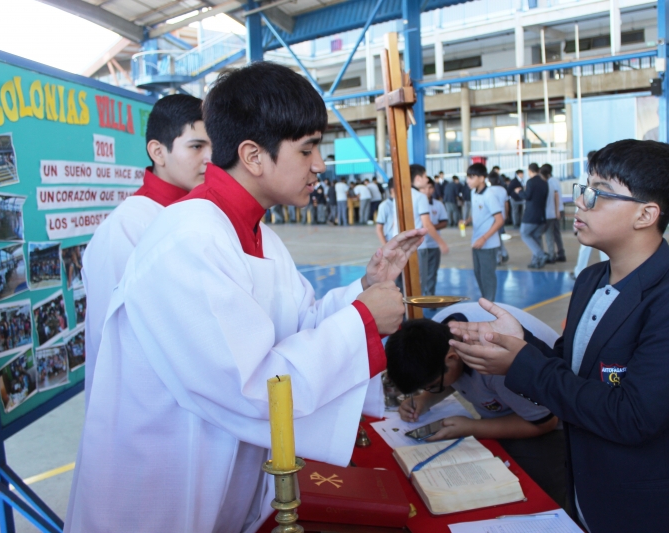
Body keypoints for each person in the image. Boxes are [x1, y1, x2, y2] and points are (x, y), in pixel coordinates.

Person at [66, 62, 425, 533]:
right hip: (161, 488)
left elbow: (299, 324)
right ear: (253, 156)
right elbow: (249, 386)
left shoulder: (258, 234)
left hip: (220, 473)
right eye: (308, 149)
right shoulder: (189, 239)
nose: (320, 165)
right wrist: (361, 321)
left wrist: (364, 290)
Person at [447, 139, 669, 533]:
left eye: (598, 194)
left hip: (660, 508)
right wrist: (519, 342)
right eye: (583, 189)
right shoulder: (592, 279)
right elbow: (575, 370)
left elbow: (632, 416)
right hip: (592, 490)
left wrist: (522, 363)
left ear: (645, 214)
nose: (581, 203)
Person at [81, 94, 211, 409]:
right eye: (196, 147)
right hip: (143, 411)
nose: (210, 158)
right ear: (158, 151)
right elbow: (112, 340)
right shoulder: (127, 227)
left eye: (214, 145)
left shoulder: (202, 214)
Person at [386, 303, 567, 509]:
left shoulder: (496, 361)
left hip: (557, 420)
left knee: (532, 493)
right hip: (514, 404)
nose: (433, 390)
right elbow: (452, 374)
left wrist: (472, 428)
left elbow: (545, 422)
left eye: (433, 386)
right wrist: (425, 399)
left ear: (453, 357)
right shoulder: (440, 334)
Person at [466, 163, 503, 301]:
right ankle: (486, 302)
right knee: (478, 274)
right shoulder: (473, 193)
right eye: (467, 177)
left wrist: (484, 238)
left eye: (472, 177)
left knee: (487, 276)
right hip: (476, 242)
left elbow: (499, 220)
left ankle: (490, 305)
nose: (468, 180)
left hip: (488, 244)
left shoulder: (489, 195)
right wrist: (468, 220)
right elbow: (479, 213)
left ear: (482, 178)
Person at [572, 151, 608, 279]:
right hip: (599, 216)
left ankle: (579, 272)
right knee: (603, 247)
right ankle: (607, 274)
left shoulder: (585, 176)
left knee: (586, 247)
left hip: (590, 216)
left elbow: (580, 201)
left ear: (588, 162)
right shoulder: (606, 177)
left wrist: (576, 223)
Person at [418, 177, 449, 296]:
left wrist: (430, 228)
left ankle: (430, 296)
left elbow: (444, 222)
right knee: (420, 275)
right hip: (419, 246)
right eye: (424, 188)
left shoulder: (438, 204)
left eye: (430, 187)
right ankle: (418, 299)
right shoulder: (415, 203)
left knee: (432, 273)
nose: (427, 190)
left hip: (433, 245)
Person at [410, 164, 449, 256]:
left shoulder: (402, 195)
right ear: (418, 178)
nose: (427, 179)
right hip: (418, 245)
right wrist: (441, 243)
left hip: (405, 245)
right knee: (422, 271)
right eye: (425, 176)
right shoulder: (420, 197)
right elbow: (426, 224)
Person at [517, 163, 549, 269]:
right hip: (542, 215)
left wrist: (519, 191)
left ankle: (541, 254)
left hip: (531, 215)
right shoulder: (545, 183)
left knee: (524, 234)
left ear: (529, 171)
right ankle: (537, 262)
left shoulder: (530, 182)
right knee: (536, 237)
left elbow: (527, 196)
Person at [542, 164, 566, 263]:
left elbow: (555, 196)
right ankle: (560, 253)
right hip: (558, 209)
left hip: (556, 210)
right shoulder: (555, 180)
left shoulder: (550, 182)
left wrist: (556, 212)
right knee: (556, 234)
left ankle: (555, 254)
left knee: (552, 234)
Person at [487, 172, 509, 264]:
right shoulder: (503, 190)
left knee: (494, 238)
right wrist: (506, 215)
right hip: (502, 216)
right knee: (498, 236)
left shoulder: (488, 191)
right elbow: (506, 204)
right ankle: (504, 253)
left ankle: (498, 257)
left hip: (492, 218)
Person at [376, 179, 397, 246]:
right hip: (390, 240)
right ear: (392, 190)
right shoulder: (384, 205)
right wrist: (385, 246)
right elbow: (379, 228)